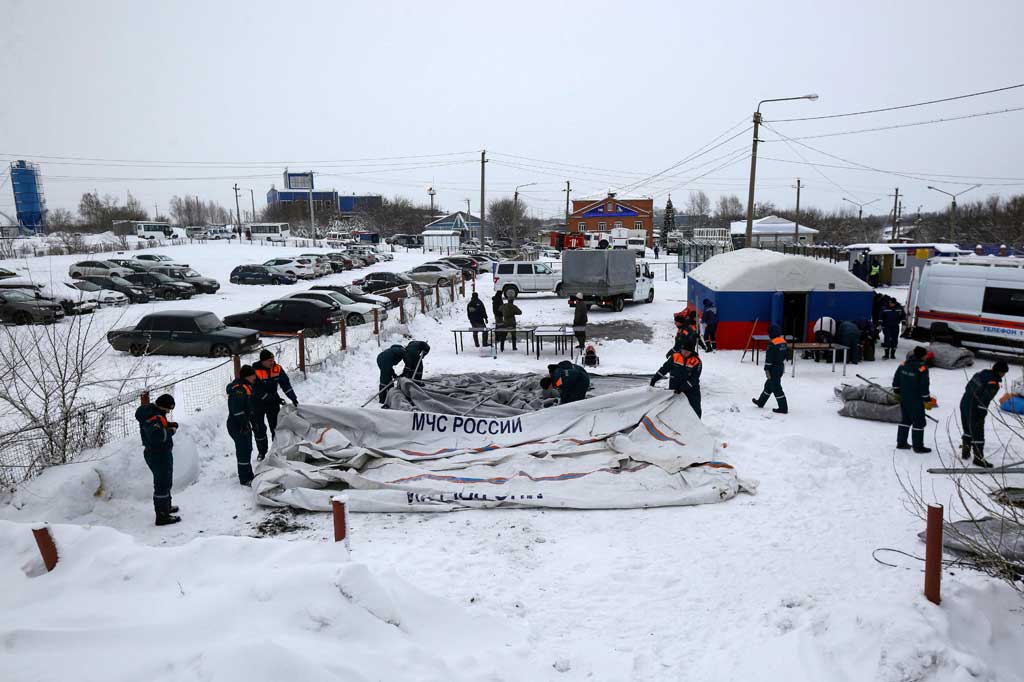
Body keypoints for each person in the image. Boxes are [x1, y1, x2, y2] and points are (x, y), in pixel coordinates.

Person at [136, 393, 180, 526]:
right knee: (162, 484)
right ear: (162, 406)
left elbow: (160, 426)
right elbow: (156, 437)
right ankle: (162, 516)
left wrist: (169, 424)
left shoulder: (156, 414)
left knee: (166, 480)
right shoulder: (154, 417)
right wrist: (171, 431)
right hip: (157, 454)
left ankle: (166, 506)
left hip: (162, 453)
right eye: (168, 409)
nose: (168, 412)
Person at [959, 360, 1009, 468]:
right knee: (978, 432)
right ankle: (978, 459)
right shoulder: (993, 383)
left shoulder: (980, 373)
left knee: (967, 428)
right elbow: (984, 400)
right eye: (1004, 373)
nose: (1004, 375)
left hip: (965, 402)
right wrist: (981, 414)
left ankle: (965, 451)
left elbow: (967, 387)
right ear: (1000, 372)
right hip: (975, 408)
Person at [252, 349, 298, 461]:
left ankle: (276, 450)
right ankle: (262, 452)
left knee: (276, 427)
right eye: (269, 361)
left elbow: (285, 385)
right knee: (259, 429)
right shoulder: (254, 371)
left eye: (273, 360)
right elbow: (255, 389)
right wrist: (268, 397)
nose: (272, 362)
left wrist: (293, 398)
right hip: (257, 403)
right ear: (262, 361)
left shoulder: (277, 369)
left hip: (272, 403)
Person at [892, 346, 935, 454]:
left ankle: (901, 442)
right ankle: (918, 446)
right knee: (919, 422)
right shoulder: (922, 368)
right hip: (916, 399)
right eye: (926, 354)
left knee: (905, 419)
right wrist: (927, 399)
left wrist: (896, 391)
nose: (926, 356)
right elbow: (924, 385)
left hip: (904, 397)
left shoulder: (904, 364)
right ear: (922, 355)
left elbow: (896, 378)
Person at [226, 365, 258, 486]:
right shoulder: (238, 389)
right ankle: (244, 478)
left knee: (248, 448)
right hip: (237, 424)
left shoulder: (247, 386)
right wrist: (244, 424)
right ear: (247, 376)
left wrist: (253, 423)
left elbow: (249, 408)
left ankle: (249, 474)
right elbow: (237, 410)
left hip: (244, 423)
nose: (255, 377)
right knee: (243, 450)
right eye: (253, 375)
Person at [651, 345, 703, 418]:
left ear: (691, 352)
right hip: (674, 387)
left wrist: (682, 388)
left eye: (687, 352)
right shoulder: (675, 356)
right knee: (671, 407)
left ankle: (695, 424)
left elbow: (694, 379)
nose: (685, 353)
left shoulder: (697, 361)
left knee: (695, 408)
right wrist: (654, 379)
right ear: (681, 349)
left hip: (691, 389)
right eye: (683, 351)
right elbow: (664, 369)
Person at [752, 324, 788, 414]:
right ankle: (760, 402)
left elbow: (769, 358)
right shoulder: (783, 341)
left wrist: (766, 369)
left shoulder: (772, 343)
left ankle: (783, 408)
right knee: (768, 386)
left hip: (773, 368)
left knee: (776, 388)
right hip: (780, 366)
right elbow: (786, 355)